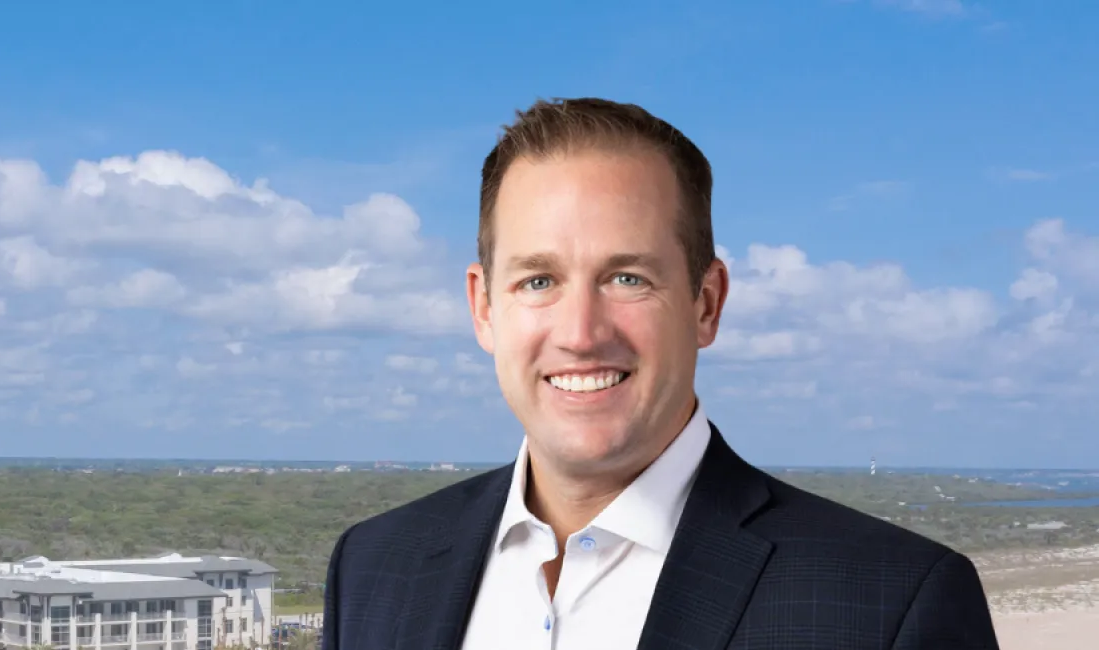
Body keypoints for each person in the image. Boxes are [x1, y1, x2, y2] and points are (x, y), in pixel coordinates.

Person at [319, 97, 999, 649]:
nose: (581, 333)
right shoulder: (373, 566)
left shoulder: (890, 603)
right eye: (538, 280)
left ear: (706, 304)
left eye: (627, 277)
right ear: (484, 306)